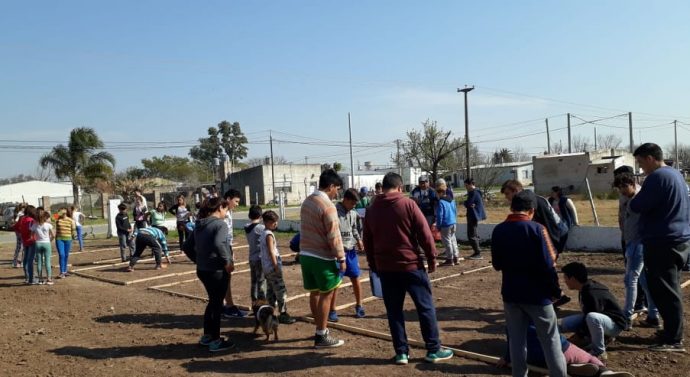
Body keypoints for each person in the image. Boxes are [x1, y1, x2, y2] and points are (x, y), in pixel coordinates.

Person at [363, 172, 454, 365]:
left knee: (394, 311)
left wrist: (373, 265)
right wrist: (432, 258)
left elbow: (368, 241)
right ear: (400, 187)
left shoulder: (371, 210)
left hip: (386, 268)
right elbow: (424, 233)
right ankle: (433, 349)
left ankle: (402, 353)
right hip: (411, 265)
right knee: (425, 307)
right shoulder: (408, 204)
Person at [491, 189, 567, 377]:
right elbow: (550, 263)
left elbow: (497, 264)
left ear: (512, 207)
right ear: (532, 210)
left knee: (517, 342)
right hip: (538, 296)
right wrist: (555, 291)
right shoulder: (537, 229)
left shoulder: (498, 230)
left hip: (510, 294)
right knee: (550, 340)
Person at [629, 143, 690, 352]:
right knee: (669, 289)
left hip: (663, 241)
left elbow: (637, 205)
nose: (641, 167)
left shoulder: (657, 177)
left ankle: (673, 340)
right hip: (678, 239)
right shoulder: (675, 174)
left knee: (666, 291)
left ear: (649, 158)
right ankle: (670, 333)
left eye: (640, 162)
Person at [500, 180, 571, 308]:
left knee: (548, 264)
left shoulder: (536, 202)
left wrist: (553, 248)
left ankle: (556, 295)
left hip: (556, 233)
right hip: (548, 233)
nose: (507, 198)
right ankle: (556, 294)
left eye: (507, 194)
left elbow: (550, 225)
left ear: (516, 191)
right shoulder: (525, 202)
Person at [299, 168, 346, 348]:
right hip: (321, 257)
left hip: (306, 255)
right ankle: (321, 334)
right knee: (327, 294)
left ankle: (320, 329)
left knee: (315, 293)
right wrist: (341, 258)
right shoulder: (327, 206)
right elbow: (334, 235)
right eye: (337, 189)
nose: (338, 192)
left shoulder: (307, 201)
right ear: (331, 186)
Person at [183, 196, 235, 352]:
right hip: (217, 270)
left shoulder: (199, 224)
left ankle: (207, 336)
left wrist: (198, 260)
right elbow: (219, 243)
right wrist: (227, 262)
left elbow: (186, 246)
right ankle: (216, 341)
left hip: (203, 270)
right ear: (219, 208)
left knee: (213, 302)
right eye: (226, 209)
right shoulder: (220, 224)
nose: (227, 212)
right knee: (217, 304)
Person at [613, 173, 660, 329]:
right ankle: (653, 315)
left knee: (630, 279)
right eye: (619, 189)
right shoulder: (627, 197)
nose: (622, 191)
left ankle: (626, 317)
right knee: (644, 281)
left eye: (623, 187)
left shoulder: (640, 198)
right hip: (632, 241)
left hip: (638, 243)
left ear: (631, 184)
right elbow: (622, 216)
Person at [498, 324, 633, 377]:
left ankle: (572, 368)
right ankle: (604, 371)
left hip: (533, 359)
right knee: (587, 357)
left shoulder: (512, 321)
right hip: (558, 350)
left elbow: (513, 343)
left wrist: (506, 358)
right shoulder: (542, 312)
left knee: (559, 362)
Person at [560, 262, 627, 360]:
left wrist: (577, 337)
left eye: (565, 277)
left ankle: (599, 351)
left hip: (614, 325)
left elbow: (592, 318)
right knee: (560, 324)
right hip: (602, 321)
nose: (564, 281)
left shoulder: (591, 292)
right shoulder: (585, 287)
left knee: (592, 317)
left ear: (573, 279)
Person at [329, 188, 366, 321]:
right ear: (345, 200)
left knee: (356, 278)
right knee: (336, 282)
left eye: (355, 204)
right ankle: (332, 310)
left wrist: (359, 239)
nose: (354, 206)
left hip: (351, 251)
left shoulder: (353, 213)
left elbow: (354, 228)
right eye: (352, 203)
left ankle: (359, 305)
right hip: (338, 252)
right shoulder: (334, 212)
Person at [260, 210, 297, 324]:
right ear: (266, 222)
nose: (276, 224)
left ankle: (269, 313)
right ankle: (283, 314)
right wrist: (276, 266)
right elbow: (271, 251)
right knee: (281, 291)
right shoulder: (269, 235)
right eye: (273, 222)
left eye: (276, 222)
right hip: (272, 268)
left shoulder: (263, 232)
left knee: (270, 291)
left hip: (266, 268)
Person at [222, 189, 247, 318]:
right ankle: (229, 306)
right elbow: (223, 236)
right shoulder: (223, 212)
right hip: (223, 248)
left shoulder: (228, 212)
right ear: (228, 199)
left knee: (224, 277)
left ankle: (224, 305)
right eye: (236, 201)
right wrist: (228, 253)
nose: (237, 204)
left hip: (227, 247)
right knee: (226, 277)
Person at [245, 205, 267, 302]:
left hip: (252, 257)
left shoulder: (246, 226)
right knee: (261, 281)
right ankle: (261, 304)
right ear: (260, 216)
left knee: (254, 282)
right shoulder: (261, 228)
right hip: (260, 258)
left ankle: (254, 303)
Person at [435, 180, 460, 266]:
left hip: (445, 224)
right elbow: (455, 211)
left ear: (440, 193)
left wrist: (438, 226)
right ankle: (456, 257)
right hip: (453, 223)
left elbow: (439, 215)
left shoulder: (441, 202)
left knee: (447, 242)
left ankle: (450, 259)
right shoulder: (452, 200)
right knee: (453, 240)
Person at [548, 186, 579, 252]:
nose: (551, 193)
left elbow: (573, 209)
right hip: (554, 220)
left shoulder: (565, 200)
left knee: (563, 231)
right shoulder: (550, 200)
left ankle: (561, 248)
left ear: (557, 192)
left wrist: (576, 221)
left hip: (564, 220)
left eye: (553, 192)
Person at [463, 178, 487, 260]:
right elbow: (470, 204)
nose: (465, 187)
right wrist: (469, 204)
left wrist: (466, 203)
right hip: (474, 215)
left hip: (473, 215)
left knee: (471, 234)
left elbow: (468, 203)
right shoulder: (477, 192)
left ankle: (478, 253)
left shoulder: (473, 193)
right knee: (473, 233)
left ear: (470, 184)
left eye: (466, 185)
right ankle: (477, 251)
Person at [32, 211, 55, 285]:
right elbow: (53, 235)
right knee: (47, 261)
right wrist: (49, 241)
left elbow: (31, 235)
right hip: (46, 243)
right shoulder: (48, 225)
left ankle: (40, 279)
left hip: (38, 243)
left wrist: (36, 240)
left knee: (39, 262)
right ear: (44, 217)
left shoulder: (35, 225)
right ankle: (49, 279)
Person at [17, 205, 37, 284]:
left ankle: (27, 277)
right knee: (30, 260)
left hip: (25, 241)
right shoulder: (31, 220)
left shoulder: (23, 219)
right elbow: (32, 230)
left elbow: (18, 228)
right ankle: (31, 279)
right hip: (31, 241)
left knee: (26, 260)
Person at [55, 208, 77, 278]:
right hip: (59, 239)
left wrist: (74, 239)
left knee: (66, 255)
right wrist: (59, 213)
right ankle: (62, 272)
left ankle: (65, 271)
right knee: (61, 255)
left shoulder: (71, 220)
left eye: (64, 210)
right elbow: (51, 218)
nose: (63, 211)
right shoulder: (57, 218)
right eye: (61, 210)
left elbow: (73, 231)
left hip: (68, 239)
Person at [11, 203, 26, 268]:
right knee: (21, 247)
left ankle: (16, 262)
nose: (24, 208)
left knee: (20, 247)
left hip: (20, 231)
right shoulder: (20, 213)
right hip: (20, 232)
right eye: (23, 207)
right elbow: (15, 222)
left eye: (24, 207)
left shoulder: (21, 213)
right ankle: (18, 262)